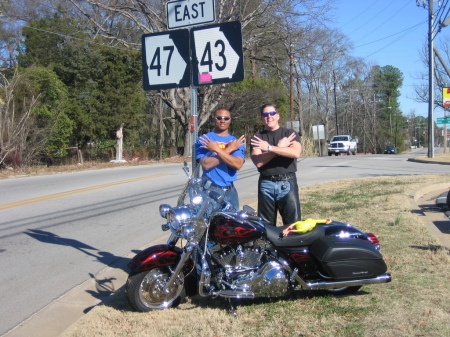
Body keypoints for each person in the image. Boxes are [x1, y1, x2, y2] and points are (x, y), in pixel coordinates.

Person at [250, 104, 302, 226]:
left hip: (287, 182)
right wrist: (280, 148)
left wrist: (269, 148)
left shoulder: (290, 133)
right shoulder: (257, 138)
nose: (269, 117)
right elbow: (258, 161)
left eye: (272, 113)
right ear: (262, 118)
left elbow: (295, 153)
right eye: (265, 114)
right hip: (266, 184)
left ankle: (291, 245)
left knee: (293, 225)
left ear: (278, 116)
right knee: (266, 227)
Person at [195, 108, 246, 209]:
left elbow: (237, 164)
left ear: (230, 121)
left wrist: (216, 150)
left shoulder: (235, 142)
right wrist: (229, 149)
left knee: (232, 224)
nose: (223, 121)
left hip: (230, 191)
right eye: (219, 118)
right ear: (213, 119)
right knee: (210, 223)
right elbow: (206, 165)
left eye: (226, 118)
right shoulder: (204, 139)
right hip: (210, 190)